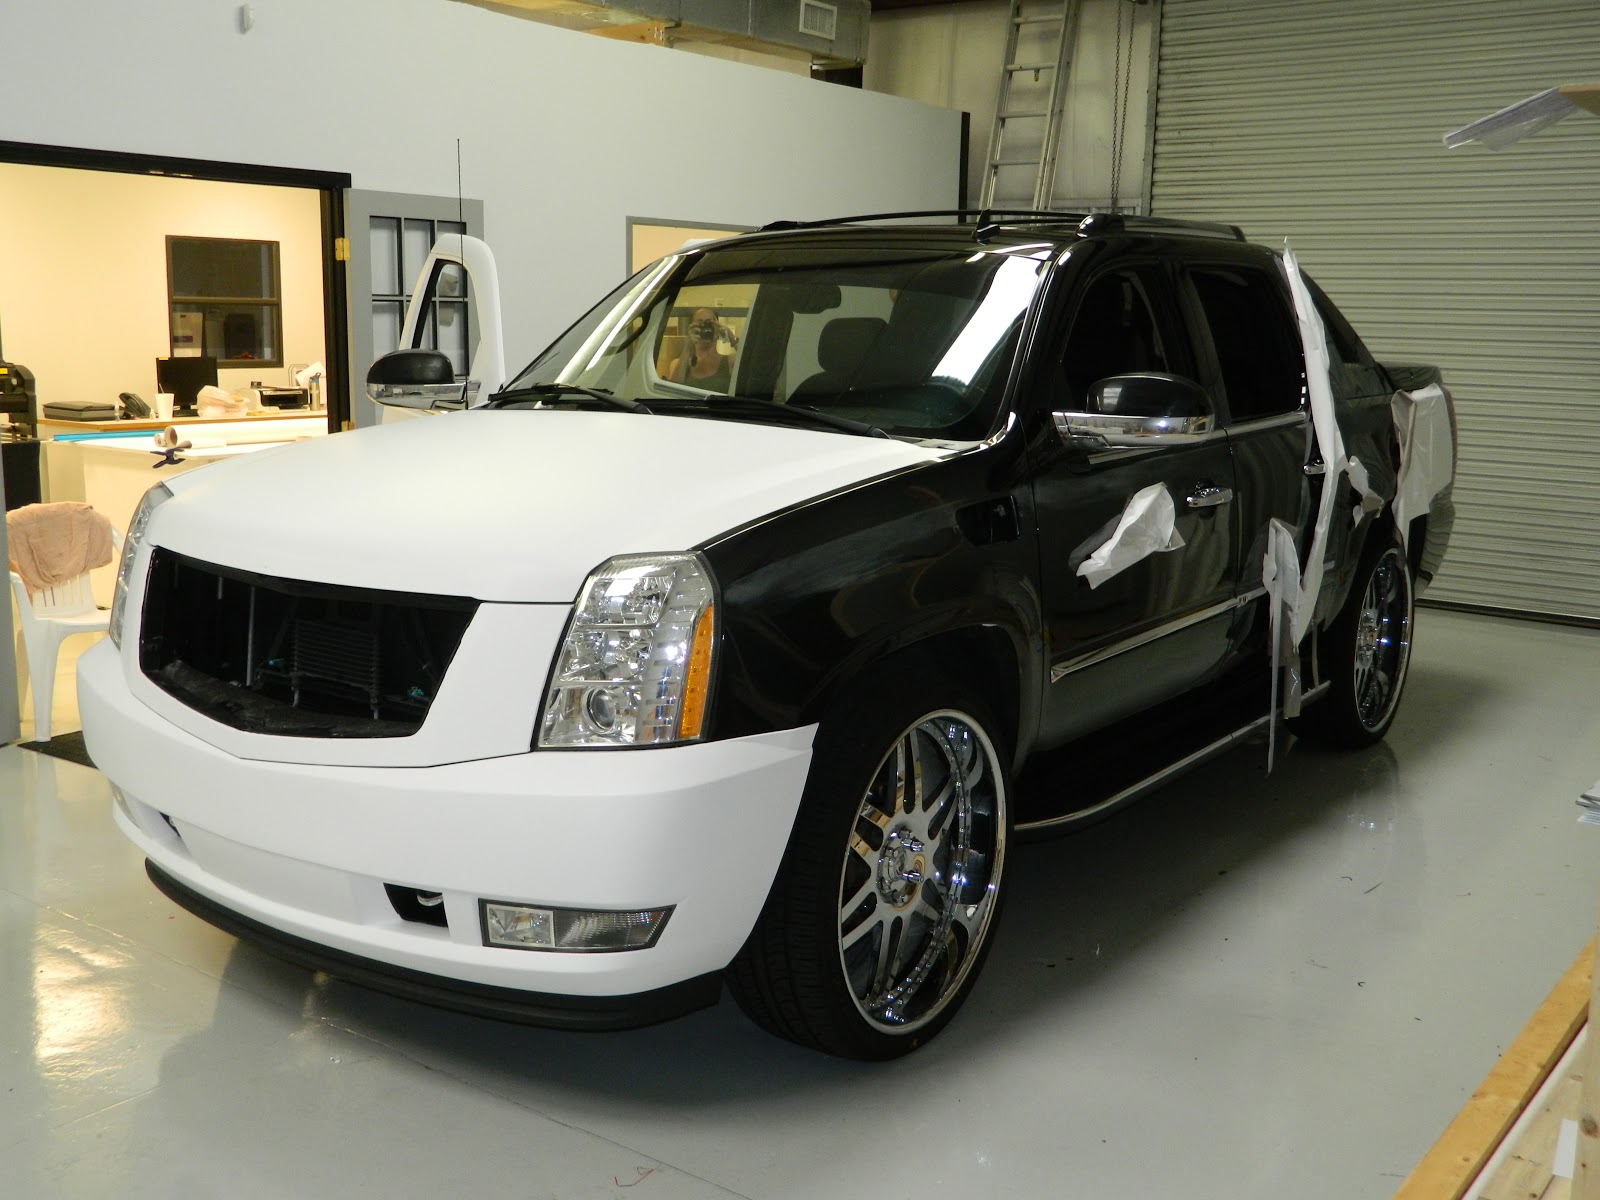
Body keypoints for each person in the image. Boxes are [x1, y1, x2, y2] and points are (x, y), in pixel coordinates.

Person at [668, 307, 735, 392]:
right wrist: (688, 346)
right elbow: (672, 391)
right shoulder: (678, 363)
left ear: (718, 328)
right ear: (692, 329)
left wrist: (733, 340)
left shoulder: (730, 361)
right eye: (700, 323)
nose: (706, 327)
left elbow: (750, 370)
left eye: (710, 323)